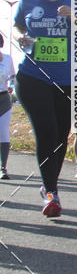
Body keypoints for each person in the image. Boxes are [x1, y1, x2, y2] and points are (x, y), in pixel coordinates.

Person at [13, 0, 72, 217]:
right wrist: (22, 38)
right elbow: (18, 26)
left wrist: (75, 18)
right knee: (46, 130)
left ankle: (50, 185)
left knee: (61, 136)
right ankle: (51, 192)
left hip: (67, 80)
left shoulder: (76, 0)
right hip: (33, 77)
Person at [0, 34, 16, 179]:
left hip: (4, 98)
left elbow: (12, 76)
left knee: (3, 132)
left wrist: (11, 85)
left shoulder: (7, 59)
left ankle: (3, 168)